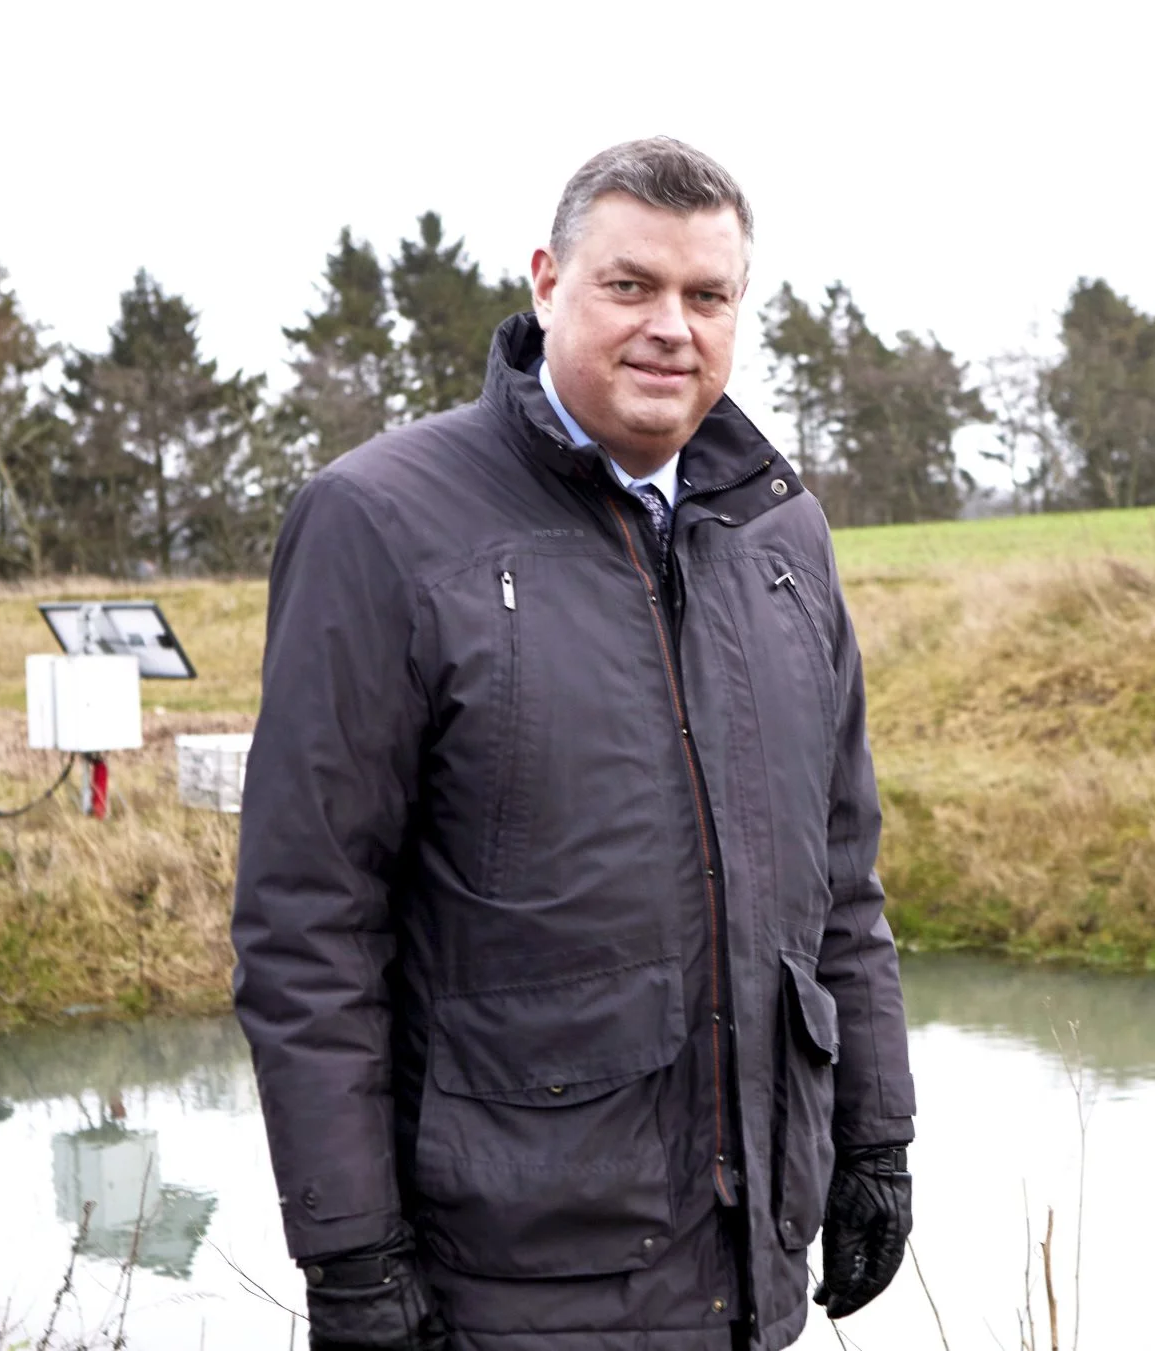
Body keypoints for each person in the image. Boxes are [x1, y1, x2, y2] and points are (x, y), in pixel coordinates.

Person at [231, 137, 917, 1351]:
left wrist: (875, 1135)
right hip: (508, 1282)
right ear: (547, 282)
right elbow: (308, 925)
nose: (672, 327)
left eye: (708, 296)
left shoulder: (781, 539)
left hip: (748, 1265)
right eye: (630, 285)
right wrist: (350, 1255)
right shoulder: (381, 522)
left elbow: (841, 884)